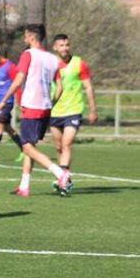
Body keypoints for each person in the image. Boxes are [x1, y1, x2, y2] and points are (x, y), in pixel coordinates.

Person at [0, 24, 71, 197]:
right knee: (30, 145)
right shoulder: (53, 59)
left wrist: (5, 100)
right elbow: (60, 87)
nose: (24, 39)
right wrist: (51, 102)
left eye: (25, 36)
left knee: (27, 148)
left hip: (32, 106)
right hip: (45, 108)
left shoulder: (28, 54)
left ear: (31, 38)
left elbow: (18, 80)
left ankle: (60, 174)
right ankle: (24, 186)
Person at [49, 33, 98, 193]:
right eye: (62, 45)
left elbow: (88, 87)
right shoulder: (50, 64)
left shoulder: (79, 63)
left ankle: (63, 181)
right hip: (55, 111)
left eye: (67, 45)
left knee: (67, 144)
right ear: (55, 47)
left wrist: (92, 109)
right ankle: (65, 177)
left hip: (74, 110)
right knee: (58, 147)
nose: (65, 48)